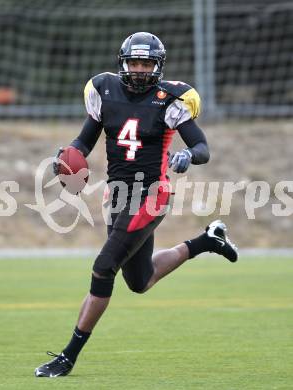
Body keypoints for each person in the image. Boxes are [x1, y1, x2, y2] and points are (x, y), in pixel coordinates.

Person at [34, 32, 238, 378]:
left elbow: (202, 147)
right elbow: (84, 140)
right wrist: (66, 157)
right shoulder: (105, 91)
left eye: (146, 64)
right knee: (140, 280)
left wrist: (189, 155)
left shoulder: (169, 100)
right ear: (123, 63)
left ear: (157, 67)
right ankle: (208, 240)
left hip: (151, 196)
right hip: (117, 196)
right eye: (134, 63)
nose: (140, 70)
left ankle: (68, 357)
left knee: (103, 267)